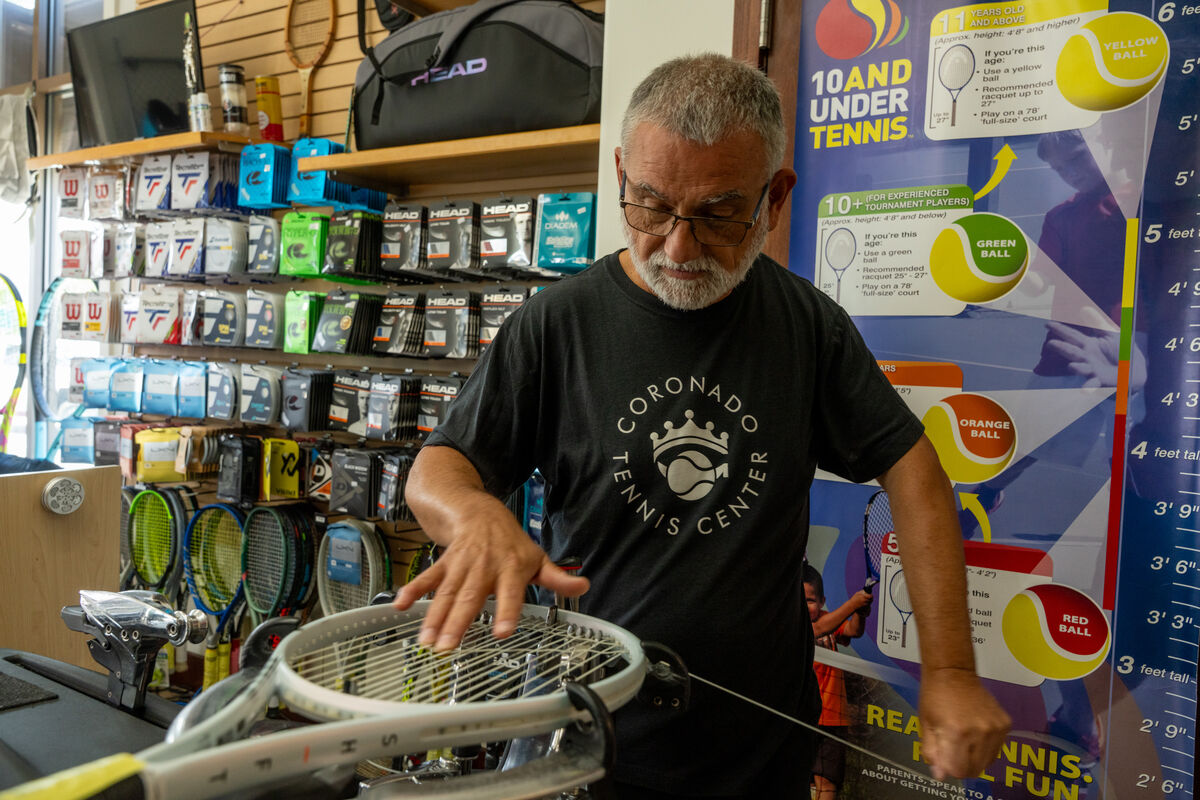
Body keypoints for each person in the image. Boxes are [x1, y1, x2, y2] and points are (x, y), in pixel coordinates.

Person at [396, 53, 1011, 798]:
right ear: (621, 172)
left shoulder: (806, 327)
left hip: (761, 748)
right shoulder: (558, 324)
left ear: (774, 198)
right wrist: (474, 516)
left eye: (718, 213)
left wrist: (948, 670)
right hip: (596, 739)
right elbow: (437, 470)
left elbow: (913, 471)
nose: (679, 247)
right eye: (650, 206)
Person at [803, 564, 873, 799]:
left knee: (827, 784)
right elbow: (818, 629)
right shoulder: (791, 623)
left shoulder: (829, 618)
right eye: (799, 599)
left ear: (822, 601)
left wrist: (859, 615)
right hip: (799, 716)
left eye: (810, 600)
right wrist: (853, 604)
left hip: (832, 717)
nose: (805, 606)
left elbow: (853, 631)